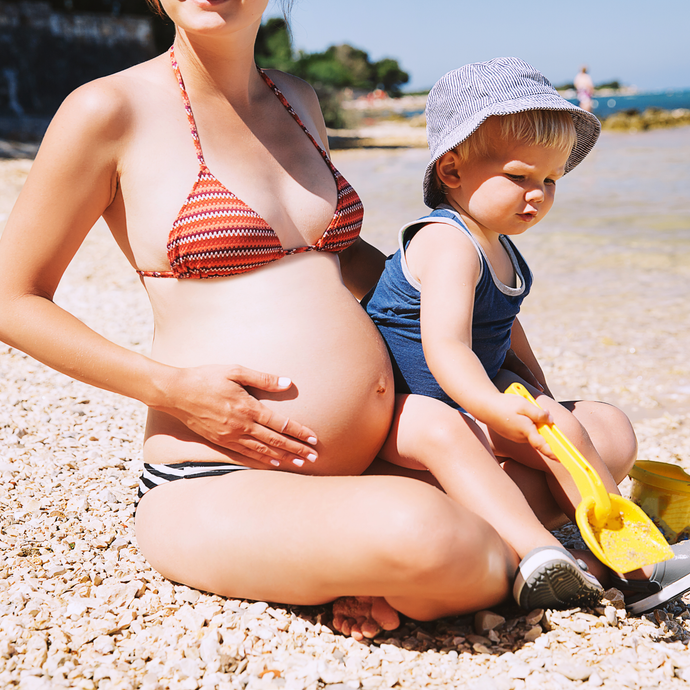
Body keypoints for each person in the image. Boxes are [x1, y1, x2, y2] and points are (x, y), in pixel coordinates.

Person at [0, 0, 526, 642]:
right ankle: (442, 560)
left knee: (605, 435)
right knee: (432, 535)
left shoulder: (298, 100)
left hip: (376, 447)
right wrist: (173, 391)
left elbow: (341, 257)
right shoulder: (107, 110)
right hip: (219, 476)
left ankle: (382, 564)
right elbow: (12, 299)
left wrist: (477, 327)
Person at [363, 57, 690, 615]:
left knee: (573, 425)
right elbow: (446, 347)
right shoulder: (448, 243)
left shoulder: (495, 242)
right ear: (452, 171)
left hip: (469, 394)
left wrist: (534, 385)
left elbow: (503, 322)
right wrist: (495, 405)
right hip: (410, 408)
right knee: (516, 431)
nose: (536, 194)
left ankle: (615, 554)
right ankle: (577, 558)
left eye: (549, 180)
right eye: (519, 176)